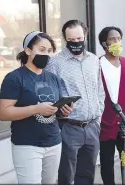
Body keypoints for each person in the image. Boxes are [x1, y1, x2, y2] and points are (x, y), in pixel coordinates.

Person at [0, 31, 73, 184]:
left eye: (50, 50)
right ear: (28, 51)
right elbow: (3, 113)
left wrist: (63, 111)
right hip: (27, 145)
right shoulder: (14, 78)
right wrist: (36, 109)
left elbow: (55, 109)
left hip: (54, 142)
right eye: (42, 49)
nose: (46, 54)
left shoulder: (53, 78)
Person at [45, 19, 105, 185]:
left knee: (88, 173)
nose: (76, 43)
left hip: (92, 126)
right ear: (65, 39)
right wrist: (59, 111)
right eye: (71, 40)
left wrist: (98, 116)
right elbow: (48, 94)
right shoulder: (55, 63)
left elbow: (99, 90)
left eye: (79, 39)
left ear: (84, 35)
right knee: (66, 173)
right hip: (69, 127)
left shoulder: (94, 60)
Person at [98, 26, 125, 185]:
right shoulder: (97, 65)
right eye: (112, 39)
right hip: (105, 124)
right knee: (107, 162)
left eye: (118, 38)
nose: (117, 42)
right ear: (104, 43)